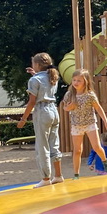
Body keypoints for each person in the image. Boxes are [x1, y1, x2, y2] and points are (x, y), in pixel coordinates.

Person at [17, 53, 64, 188]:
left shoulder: (35, 80)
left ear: (37, 65)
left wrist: (24, 118)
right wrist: (34, 74)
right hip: (53, 110)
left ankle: (45, 177)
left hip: (42, 111)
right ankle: (58, 175)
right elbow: (45, 87)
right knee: (54, 143)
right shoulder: (52, 75)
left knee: (42, 146)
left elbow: (32, 101)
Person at [62, 69, 107, 179]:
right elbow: (65, 107)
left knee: (96, 147)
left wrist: (106, 121)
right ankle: (76, 174)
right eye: (74, 80)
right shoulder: (69, 94)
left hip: (90, 123)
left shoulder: (90, 95)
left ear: (85, 82)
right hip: (76, 125)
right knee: (77, 150)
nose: (76, 82)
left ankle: (105, 162)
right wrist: (68, 108)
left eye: (79, 80)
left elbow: (98, 108)